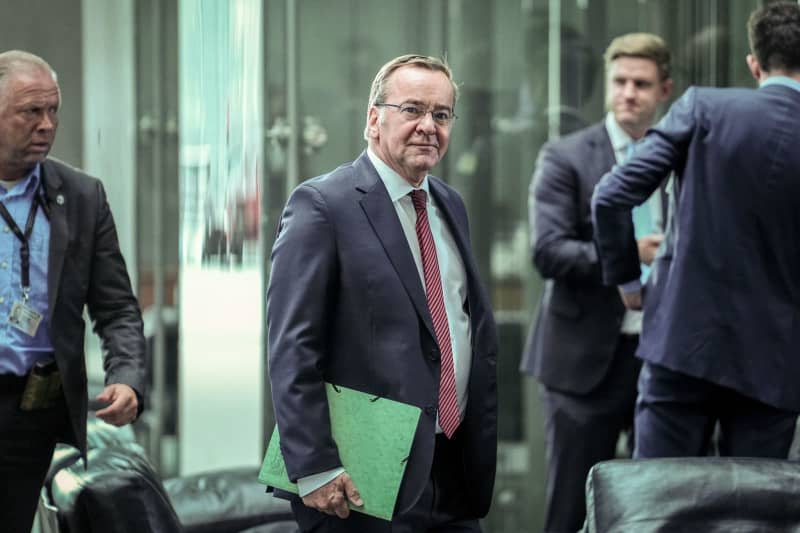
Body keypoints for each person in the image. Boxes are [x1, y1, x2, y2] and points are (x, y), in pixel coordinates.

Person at [267, 54, 498, 532]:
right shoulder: (322, 205)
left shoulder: (450, 204)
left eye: (441, 114)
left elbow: (456, 323)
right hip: (362, 476)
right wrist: (314, 466)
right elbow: (292, 348)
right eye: (412, 110)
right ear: (374, 119)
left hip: (453, 469)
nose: (428, 127)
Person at [591, 1, 800, 460]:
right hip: (778, 362)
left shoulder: (704, 108)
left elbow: (610, 197)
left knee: (658, 505)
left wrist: (628, 281)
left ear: (754, 63)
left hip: (682, 347)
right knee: (754, 515)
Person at [520, 33, 673, 533]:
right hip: (582, 363)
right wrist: (627, 257)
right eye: (620, 81)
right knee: (571, 507)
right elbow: (548, 251)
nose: (628, 92)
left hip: (663, 355)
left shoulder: (682, 156)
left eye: (642, 84)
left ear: (664, 90)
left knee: (659, 504)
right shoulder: (565, 156)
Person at [0, 50, 145, 533]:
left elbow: (116, 306)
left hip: (31, 408)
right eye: (30, 112)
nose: (46, 124)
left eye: (53, 110)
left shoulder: (82, 196)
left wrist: (126, 375)